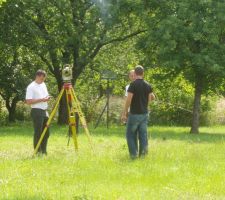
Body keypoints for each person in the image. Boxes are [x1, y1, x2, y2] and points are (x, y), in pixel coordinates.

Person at [122, 65, 155, 159]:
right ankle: (143, 156)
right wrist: (146, 107)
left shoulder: (132, 85)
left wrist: (124, 112)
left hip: (134, 114)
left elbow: (128, 100)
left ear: (135, 73)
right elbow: (150, 98)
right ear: (143, 73)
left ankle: (134, 155)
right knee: (143, 135)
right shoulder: (148, 85)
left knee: (130, 135)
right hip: (144, 114)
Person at [26, 70, 50, 155]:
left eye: (44, 79)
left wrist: (47, 98)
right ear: (37, 76)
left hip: (44, 111)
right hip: (36, 111)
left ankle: (44, 151)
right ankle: (37, 151)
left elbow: (46, 95)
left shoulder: (43, 84)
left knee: (46, 132)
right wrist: (41, 99)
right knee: (38, 132)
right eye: (42, 78)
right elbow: (28, 101)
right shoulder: (31, 87)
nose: (43, 80)